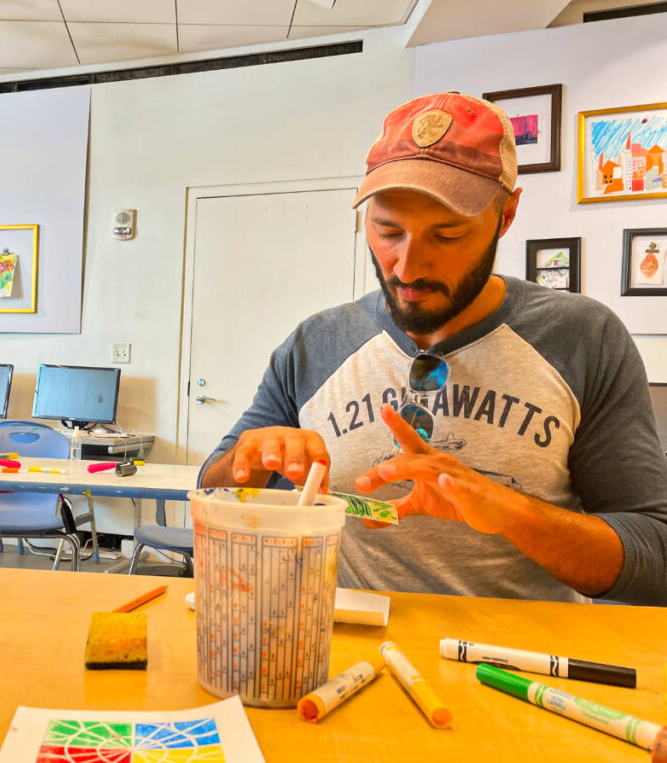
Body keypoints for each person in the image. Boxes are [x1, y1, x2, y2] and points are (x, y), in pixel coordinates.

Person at [200, 92, 667, 606]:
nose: (406, 267)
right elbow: (214, 483)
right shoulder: (316, 343)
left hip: (517, 668)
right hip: (341, 660)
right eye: (387, 231)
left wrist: (513, 512)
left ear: (506, 214)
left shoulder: (584, 338)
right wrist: (253, 457)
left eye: (446, 236)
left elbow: (655, 555)